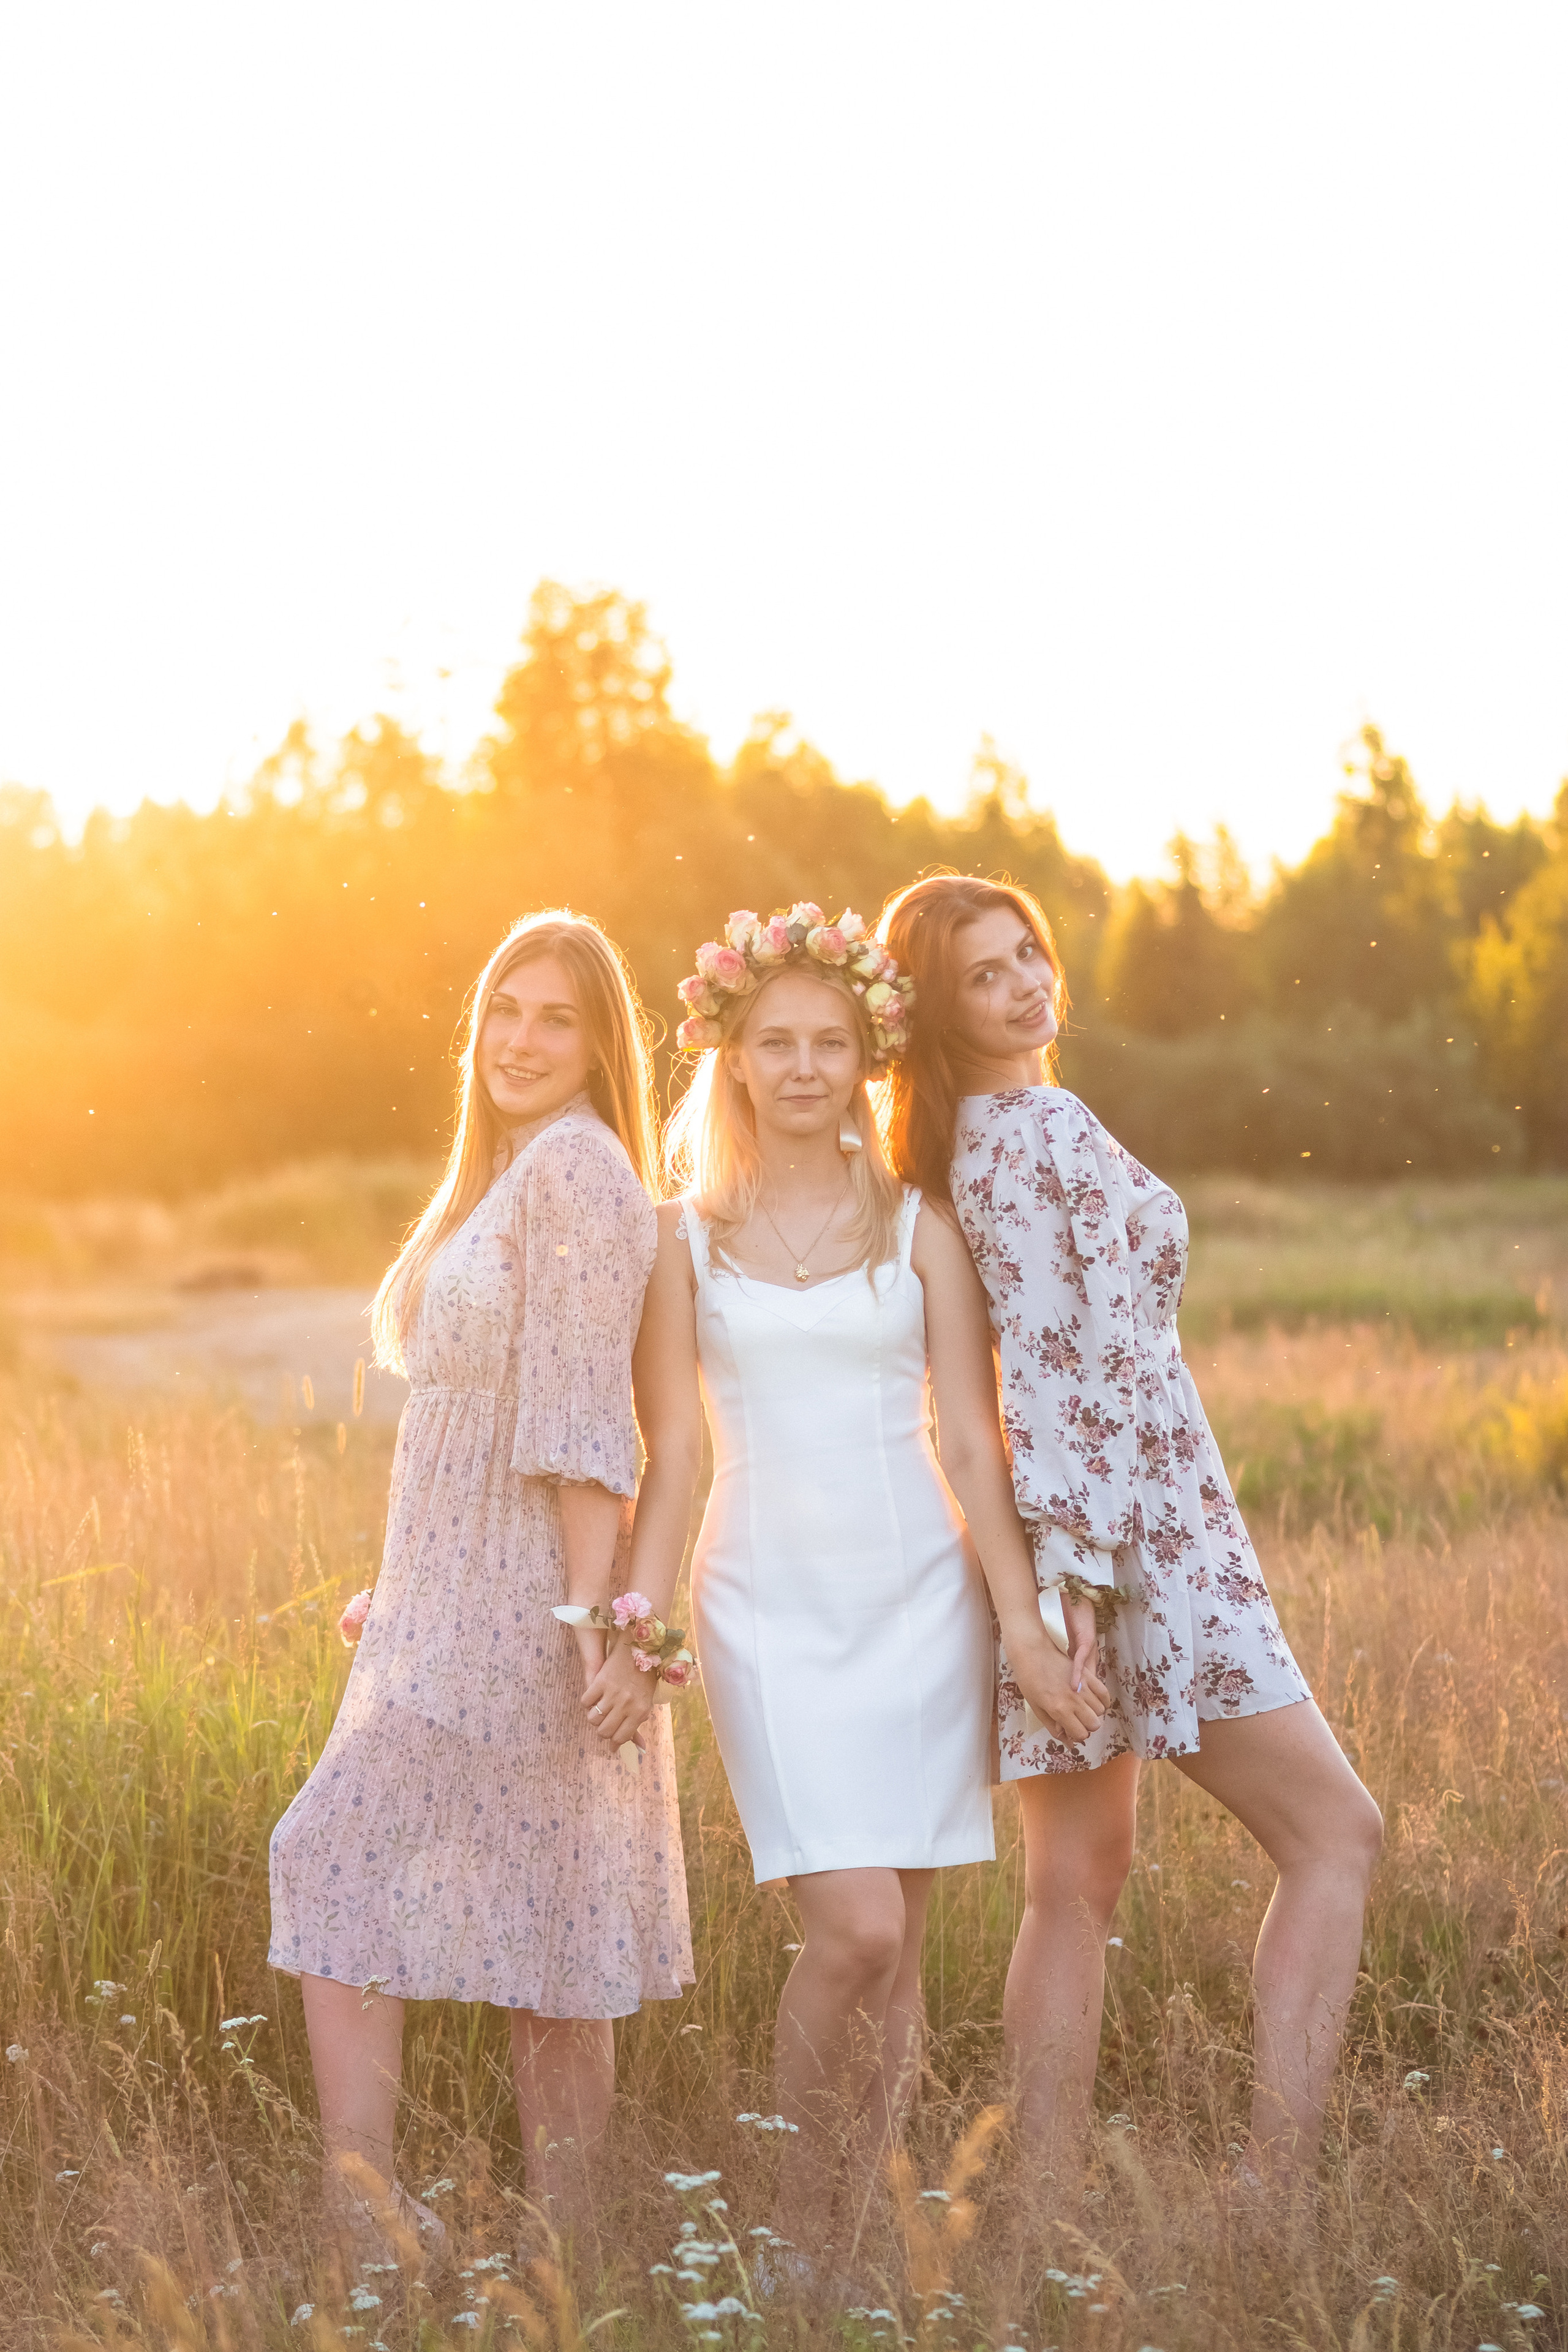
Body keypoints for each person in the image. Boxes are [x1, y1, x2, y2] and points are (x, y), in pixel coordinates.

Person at [583, 901, 1106, 2278]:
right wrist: (639, 1627)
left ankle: (849, 2246)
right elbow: (675, 1451)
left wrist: (1020, 1623)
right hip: (764, 1609)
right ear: (733, 1060)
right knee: (853, 1927)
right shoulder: (675, 1242)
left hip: (918, 1608)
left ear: (865, 1058)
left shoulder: (920, 1224)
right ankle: (780, 2221)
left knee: (900, 1959)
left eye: (829, 1041)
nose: (804, 1066)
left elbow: (968, 1442)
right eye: (775, 1042)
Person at [878, 872, 1384, 2205]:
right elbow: (1067, 1377)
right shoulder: (1036, 1128)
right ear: (939, 1010)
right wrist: (1083, 1586)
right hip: (1134, 1552)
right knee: (1336, 1832)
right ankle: (1272, 2187)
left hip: (1077, 1551)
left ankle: (1037, 2196)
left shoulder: (957, 1154)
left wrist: (1049, 1585)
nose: (1022, 984)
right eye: (982, 975)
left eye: (1024, 954)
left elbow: (1025, 1387)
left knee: (1075, 1882)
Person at [268, 910, 692, 2247]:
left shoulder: (574, 1173)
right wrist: (406, 1589)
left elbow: (580, 1430)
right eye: (504, 1011)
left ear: (598, 1041)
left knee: (333, 1856)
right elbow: (471, 1423)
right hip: (450, 1603)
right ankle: (570, 2248)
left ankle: (374, 2220)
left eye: (555, 1017)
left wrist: (587, 1629)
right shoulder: (512, 1174)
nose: (520, 1039)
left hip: (520, 1615)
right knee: (547, 1916)